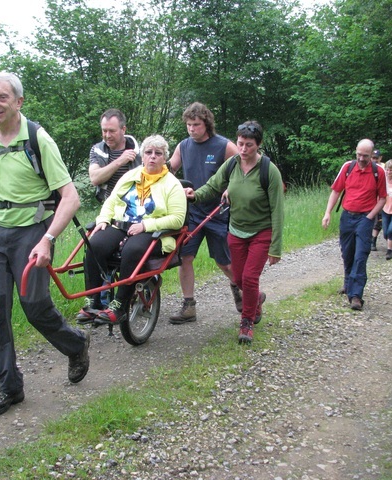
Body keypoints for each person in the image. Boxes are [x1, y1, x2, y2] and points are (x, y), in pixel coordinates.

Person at [0, 72, 90, 417]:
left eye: (2, 98)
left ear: (18, 102)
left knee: (34, 307)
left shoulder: (38, 139)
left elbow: (70, 198)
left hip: (32, 233)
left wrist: (47, 239)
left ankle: (75, 344)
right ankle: (9, 386)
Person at [184, 121, 284, 344]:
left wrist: (275, 247)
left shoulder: (269, 171)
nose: (243, 149)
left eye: (249, 145)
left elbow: (278, 211)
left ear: (258, 145)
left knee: (249, 278)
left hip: (261, 232)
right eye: (240, 144)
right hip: (236, 230)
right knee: (238, 277)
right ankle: (255, 298)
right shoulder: (231, 165)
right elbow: (213, 186)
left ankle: (247, 323)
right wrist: (194, 195)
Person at [76, 135, 187, 324]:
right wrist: (103, 219)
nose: (152, 157)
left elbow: (177, 219)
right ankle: (92, 301)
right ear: (142, 156)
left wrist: (145, 225)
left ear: (164, 158)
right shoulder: (130, 176)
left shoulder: (172, 184)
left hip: (152, 232)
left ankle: (119, 305)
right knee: (94, 244)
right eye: (148, 152)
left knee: (132, 250)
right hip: (121, 224)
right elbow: (111, 200)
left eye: (158, 153)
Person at [167, 102, 241, 325]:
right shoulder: (183, 146)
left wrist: (231, 188)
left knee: (224, 263)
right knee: (185, 258)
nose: (191, 129)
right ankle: (189, 306)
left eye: (196, 124)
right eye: (189, 125)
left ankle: (242, 290)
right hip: (192, 213)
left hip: (219, 212)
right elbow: (170, 169)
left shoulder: (224, 146)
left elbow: (244, 168)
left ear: (206, 124)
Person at [322, 139, 387, 311]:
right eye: (358, 154)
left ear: (371, 154)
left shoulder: (378, 172)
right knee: (348, 253)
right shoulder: (347, 167)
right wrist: (327, 213)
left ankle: (356, 295)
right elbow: (336, 190)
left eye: (365, 156)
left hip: (365, 218)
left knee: (361, 255)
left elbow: (382, 198)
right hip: (347, 217)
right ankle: (348, 282)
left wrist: (370, 217)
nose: (361, 158)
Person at [89, 109, 141, 203]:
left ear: (123, 130)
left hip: (137, 207)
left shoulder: (141, 151)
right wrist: (119, 161)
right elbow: (94, 179)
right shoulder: (97, 150)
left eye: (112, 131)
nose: (108, 135)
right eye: (104, 131)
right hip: (110, 208)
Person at [370, 149, 386, 251]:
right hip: (373, 198)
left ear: (380, 158)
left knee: (379, 220)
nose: (374, 160)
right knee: (375, 220)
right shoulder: (369, 167)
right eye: (373, 158)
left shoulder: (384, 168)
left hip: (384, 197)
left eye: (376, 158)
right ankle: (373, 241)